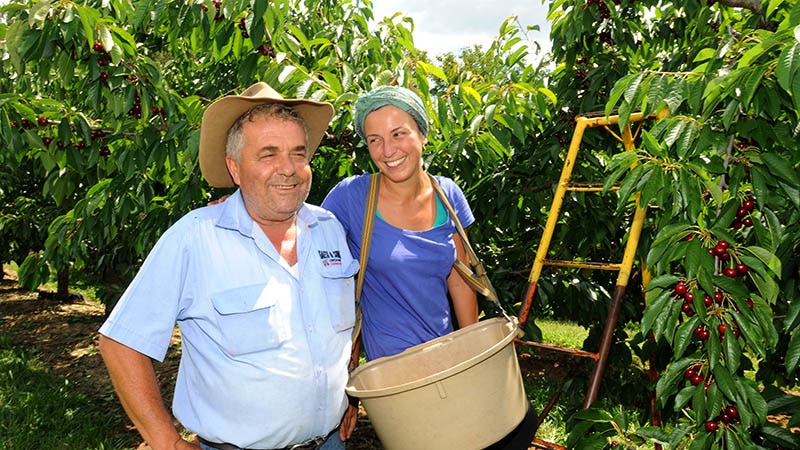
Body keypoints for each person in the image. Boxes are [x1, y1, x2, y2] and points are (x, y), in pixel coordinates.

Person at [98, 82, 358, 450]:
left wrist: (347, 393)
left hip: (331, 443)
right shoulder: (195, 238)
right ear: (235, 169)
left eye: (298, 154)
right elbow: (121, 342)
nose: (289, 169)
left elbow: (343, 327)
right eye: (268, 155)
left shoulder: (329, 229)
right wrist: (166, 441)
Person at [321, 85, 479, 362]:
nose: (388, 150)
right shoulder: (352, 197)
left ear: (423, 135)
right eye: (375, 140)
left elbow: (460, 281)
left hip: (446, 357)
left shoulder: (448, 194)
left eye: (398, 134)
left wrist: (474, 353)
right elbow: (296, 235)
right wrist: (238, 205)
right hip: (390, 369)